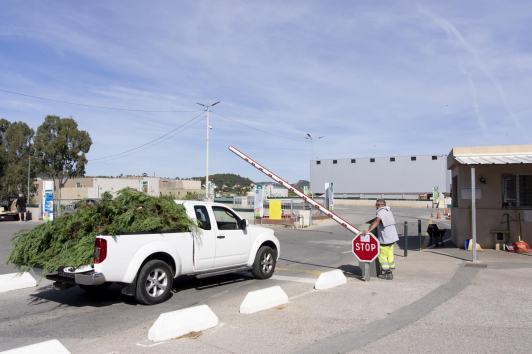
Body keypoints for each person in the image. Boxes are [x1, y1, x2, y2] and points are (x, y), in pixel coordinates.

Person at [362, 199, 399, 280]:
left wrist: (368, 230)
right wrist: (369, 221)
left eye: (377, 204)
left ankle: (387, 273)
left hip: (385, 238)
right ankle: (391, 269)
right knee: (390, 254)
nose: (376, 206)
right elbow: (377, 219)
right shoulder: (388, 210)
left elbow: (377, 221)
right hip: (392, 237)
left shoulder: (380, 211)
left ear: (382, 205)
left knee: (382, 255)